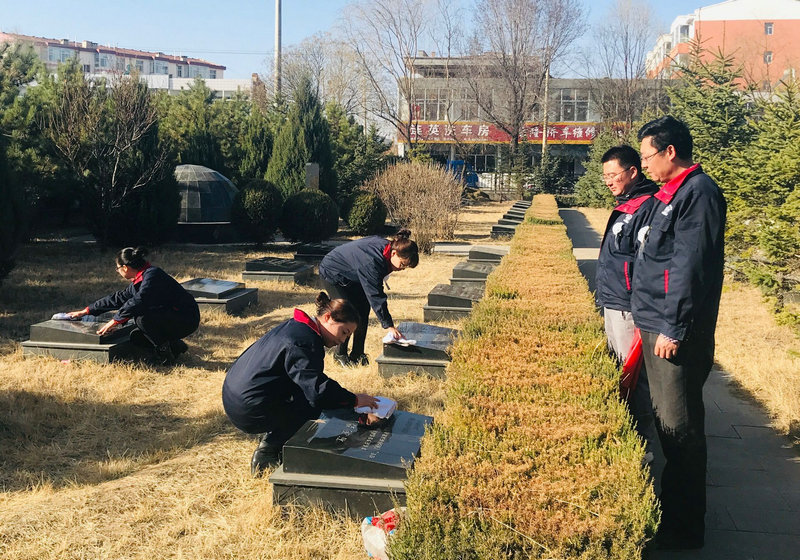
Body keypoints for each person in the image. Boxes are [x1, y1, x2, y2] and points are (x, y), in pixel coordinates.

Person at [633, 116, 727, 550]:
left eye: (648, 156)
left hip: (673, 332)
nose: (644, 165)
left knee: (680, 428)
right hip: (656, 323)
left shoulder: (698, 193)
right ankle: (672, 514)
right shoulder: (670, 193)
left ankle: (683, 529)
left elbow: (690, 267)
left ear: (670, 151)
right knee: (668, 424)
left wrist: (673, 327)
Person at [221, 292, 379, 476]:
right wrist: (354, 400)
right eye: (344, 332)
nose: (342, 341)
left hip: (234, 395)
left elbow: (309, 380)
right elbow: (318, 391)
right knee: (310, 406)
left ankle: (281, 436)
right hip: (248, 408)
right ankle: (267, 452)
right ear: (327, 317)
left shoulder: (298, 327)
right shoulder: (304, 342)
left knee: (306, 396)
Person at [594, 145, 659, 463]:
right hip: (614, 301)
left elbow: (649, 262)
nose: (608, 181)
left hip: (629, 307)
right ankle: (624, 436)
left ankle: (641, 445)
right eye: (605, 175)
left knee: (634, 378)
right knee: (621, 373)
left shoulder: (648, 206)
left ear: (633, 172)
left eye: (613, 174)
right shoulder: (628, 205)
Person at [67, 247, 200, 364]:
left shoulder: (153, 275)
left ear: (125, 267)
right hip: (173, 316)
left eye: (117, 268)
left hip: (186, 318)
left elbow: (139, 301)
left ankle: (165, 356)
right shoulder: (141, 278)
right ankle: (176, 347)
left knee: (142, 319)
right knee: (137, 337)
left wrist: (115, 320)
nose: (118, 271)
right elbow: (118, 298)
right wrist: (86, 311)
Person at [318, 229, 419, 367]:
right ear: (394, 253)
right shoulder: (372, 261)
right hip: (333, 272)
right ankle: (340, 354)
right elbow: (376, 296)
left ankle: (358, 353)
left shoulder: (388, 249)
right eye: (402, 264)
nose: (402, 269)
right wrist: (389, 325)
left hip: (354, 275)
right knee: (346, 313)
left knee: (363, 311)